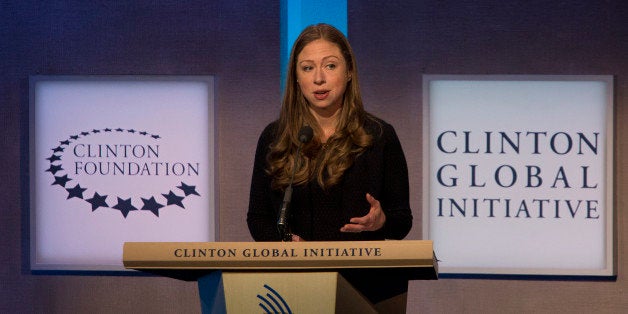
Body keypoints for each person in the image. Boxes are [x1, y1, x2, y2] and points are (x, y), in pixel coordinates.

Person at [247, 23, 412, 243]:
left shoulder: (379, 135)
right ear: (296, 77)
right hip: (297, 274)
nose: (318, 79)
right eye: (307, 68)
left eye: (330, 66)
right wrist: (285, 245)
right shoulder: (275, 137)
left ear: (349, 71)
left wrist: (381, 222)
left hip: (362, 273)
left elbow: (402, 221)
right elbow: (258, 218)